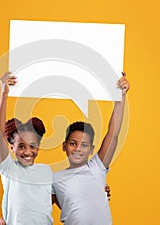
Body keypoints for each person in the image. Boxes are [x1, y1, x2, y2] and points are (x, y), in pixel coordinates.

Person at [52, 73, 130, 225]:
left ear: (91, 149)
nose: (78, 149)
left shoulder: (97, 167)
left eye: (84, 145)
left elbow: (113, 134)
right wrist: (6, 217)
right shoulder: (55, 179)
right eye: (73, 143)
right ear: (64, 146)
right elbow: (35, 205)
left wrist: (121, 96)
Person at [0, 72, 53, 225]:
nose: (27, 151)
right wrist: (4, 94)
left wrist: (98, 190)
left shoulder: (46, 172)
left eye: (32, 146)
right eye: (21, 146)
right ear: (11, 148)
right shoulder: (9, 169)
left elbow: (57, 197)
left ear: (38, 147)